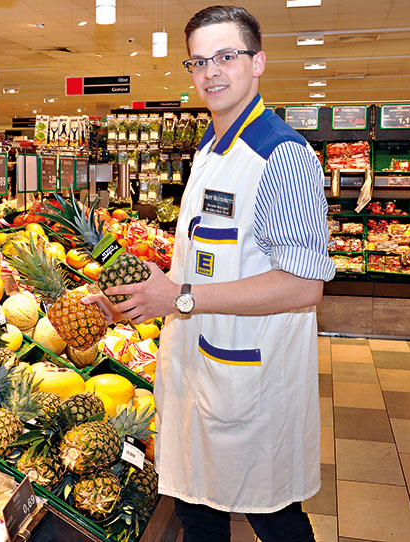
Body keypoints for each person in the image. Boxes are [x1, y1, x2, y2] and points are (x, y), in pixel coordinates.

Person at [84, 5, 336, 541]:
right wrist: (133, 295)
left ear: (258, 62)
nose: (211, 73)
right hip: (199, 368)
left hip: (250, 378)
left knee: (273, 515)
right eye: (199, 62)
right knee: (197, 509)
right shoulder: (210, 147)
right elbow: (200, 262)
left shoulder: (280, 156)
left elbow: (304, 285)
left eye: (226, 56)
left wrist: (180, 298)